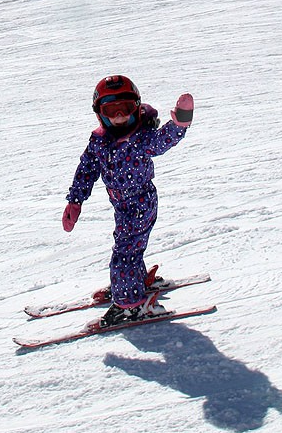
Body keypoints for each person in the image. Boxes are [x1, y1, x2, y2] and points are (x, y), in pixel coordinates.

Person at [62, 74, 194, 327]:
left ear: (136, 107)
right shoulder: (100, 141)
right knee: (129, 246)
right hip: (121, 204)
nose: (119, 115)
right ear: (100, 113)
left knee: (125, 252)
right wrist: (75, 200)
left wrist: (180, 123)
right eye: (111, 109)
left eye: (125, 108)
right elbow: (86, 168)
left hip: (140, 202)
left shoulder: (140, 138)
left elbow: (162, 141)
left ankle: (129, 304)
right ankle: (131, 282)